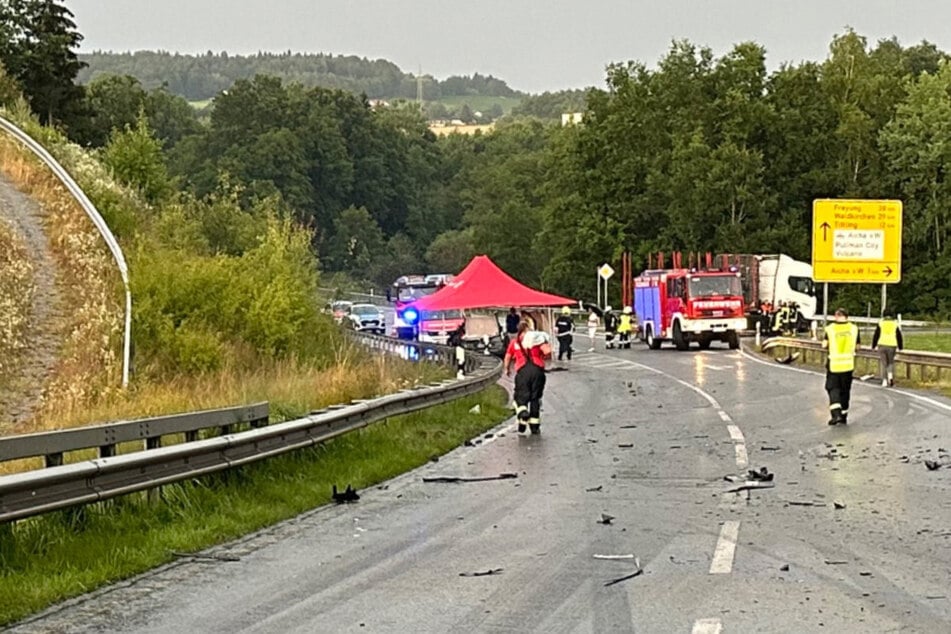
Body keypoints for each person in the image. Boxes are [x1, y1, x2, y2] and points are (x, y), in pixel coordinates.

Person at [503, 321, 547, 436]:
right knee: (535, 398)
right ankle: (534, 427)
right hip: (537, 371)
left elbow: (507, 357)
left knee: (520, 397)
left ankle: (522, 417)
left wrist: (506, 369)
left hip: (522, 371)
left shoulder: (514, 342)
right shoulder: (536, 341)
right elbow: (547, 351)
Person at [822, 308, 860, 425]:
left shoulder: (830, 329)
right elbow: (858, 347)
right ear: (847, 317)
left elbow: (824, 345)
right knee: (845, 390)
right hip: (848, 365)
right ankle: (844, 415)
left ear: (836, 316)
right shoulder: (854, 329)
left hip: (834, 365)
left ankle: (836, 414)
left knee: (832, 388)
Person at [872, 313, 903, 387]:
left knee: (883, 363)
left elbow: (876, 334)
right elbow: (898, 335)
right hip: (892, 344)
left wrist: (873, 345)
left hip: (882, 344)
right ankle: (890, 376)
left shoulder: (881, 323)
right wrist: (900, 346)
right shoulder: (895, 323)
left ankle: (884, 380)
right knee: (890, 362)